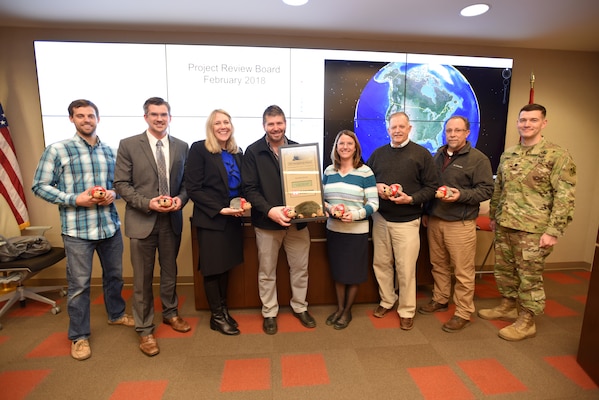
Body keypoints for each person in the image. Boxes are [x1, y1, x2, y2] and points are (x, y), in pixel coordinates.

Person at [32, 99, 134, 361]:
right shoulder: (57, 150)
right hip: (77, 231)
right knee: (79, 285)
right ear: (72, 119)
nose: (86, 120)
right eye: (80, 116)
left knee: (115, 277)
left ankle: (116, 314)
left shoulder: (111, 152)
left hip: (109, 226)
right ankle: (79, 336)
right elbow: (40, 185)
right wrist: (74, 199)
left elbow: (121, 186)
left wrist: (113, 193)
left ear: (97, 119)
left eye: (90, 116)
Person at [478, 103, 576, 341]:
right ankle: (508, 305)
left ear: (544, 123)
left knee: (529, 277)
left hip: (534, 229)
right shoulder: (509, 153)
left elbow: (564, 196)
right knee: (504, 272)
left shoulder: (557, 155)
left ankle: (527, 320)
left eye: (533, 120)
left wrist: (553, 231)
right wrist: (493, 217)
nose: (527, 124)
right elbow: (499, 188)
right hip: (505, 224)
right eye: (523, 120)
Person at [114, 97, 190, 356]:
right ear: (146, 117)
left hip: (172, 221)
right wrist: (148, 203)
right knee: (142, 278)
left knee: (170, 271)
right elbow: (122, 184)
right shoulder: (128, 145)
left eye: (164, 114)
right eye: (154, 114)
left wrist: (180, 199)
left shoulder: (181, 146)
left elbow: (187, 184)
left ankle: (170, 313)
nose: (160, 118)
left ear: (170, 117)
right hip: (142, 220)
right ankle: (145, 329)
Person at [242, 105, 316, 335]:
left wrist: (309, 206)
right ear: (264, 126)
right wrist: (270, 210)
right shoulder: (253, 152)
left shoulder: (298, 150)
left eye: (279, 123)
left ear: (285, 123)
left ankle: (300, 306)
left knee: (300, 268)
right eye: (271, 124)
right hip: (267, 224)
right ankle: (270, 312)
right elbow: (250, 189)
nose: (276, 128)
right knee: (266, 271)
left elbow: (308, 185)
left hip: (297, 224)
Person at [419, 116, 494, 332]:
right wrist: (426, 211)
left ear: (467, 133)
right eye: (449, 130)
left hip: (460, 223)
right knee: (438, 265)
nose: (452, 134)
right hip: (435, 220)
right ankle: (441, 299)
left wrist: (460, 194)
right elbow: (430, 186)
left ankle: (462, 312)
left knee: (463, 271)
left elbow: (486, 190)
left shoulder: (478, 159)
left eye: (457, 130)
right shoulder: (437, 156)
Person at [366, 111, 438, 330]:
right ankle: (387, 300)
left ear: (409, 128)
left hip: (407, 221)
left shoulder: (422, 154)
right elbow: (367, 183)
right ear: (388, 130)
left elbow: (432, 188)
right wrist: (376, 187)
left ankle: (407, 310)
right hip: (381, 219)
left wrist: (411, 199)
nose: (397, 130)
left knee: (406, 269)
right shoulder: (378, 154)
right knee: (381, 264)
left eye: (401, 126)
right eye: (393, 127)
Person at [185, 109, 244, 336]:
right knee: (212, 269)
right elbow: (193, 188)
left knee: (225, 267)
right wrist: (220, 209)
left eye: (226, 122)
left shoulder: (237, 153)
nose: (223, 126)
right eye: (218, 123)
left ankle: (223, 311)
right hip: (212, 218)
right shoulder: (200, 149)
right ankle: (217, 316)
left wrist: (241, 204)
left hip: (232, 220)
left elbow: (240, 185)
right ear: (211, 127)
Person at [322, 130, 378, 329]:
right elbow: (322, 199)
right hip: (334, 230)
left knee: (353, 273)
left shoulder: (365, 172)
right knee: (338, 272)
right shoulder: (329, 171)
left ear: (356, 148)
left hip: (356, 232)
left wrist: (354, 215)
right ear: (336, 147)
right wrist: (330, 208)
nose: (345, 147)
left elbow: (374, 203)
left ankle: (347, 312)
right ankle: (339, 308)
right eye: (341, 143)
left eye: (349, 144)